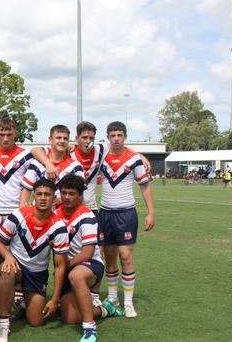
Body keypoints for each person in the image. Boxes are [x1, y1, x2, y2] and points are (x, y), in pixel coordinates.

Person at [0, 178, 69, 341]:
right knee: (7, 272)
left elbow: (60, 266)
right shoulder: (18, 215)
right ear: (33, 195)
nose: (42, 198)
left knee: (36, 321)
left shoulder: (59, 227)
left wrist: (55, 299)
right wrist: (8, 256)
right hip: (17, 267)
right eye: (39, 194)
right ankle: (3, 324)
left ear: (53, 198)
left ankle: (22, 304)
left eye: (47, 195)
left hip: (37, 274)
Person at [53, 174, 123, 342]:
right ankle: (105, 309)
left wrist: (63, 266)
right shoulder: (55, 212)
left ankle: (90, 329)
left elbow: (87, 253)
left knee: (75, 276)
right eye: (64, 193)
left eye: (71, 193)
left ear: (80, 196)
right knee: (69, 319)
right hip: (68, 268)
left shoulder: (87, 217)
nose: (67, 197)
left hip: (90, 265)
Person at [99, 121, 155, 318]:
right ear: (107, 137)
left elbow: (145, 186)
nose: (116, 138)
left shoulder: (134, 159)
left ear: (125, 136)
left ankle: (129, 302)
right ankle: (113, 297)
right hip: (105, 213)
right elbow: (82, 148)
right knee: (110, 257)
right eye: (112, 135)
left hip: (126, 213)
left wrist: (151, 212)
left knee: (126, 256)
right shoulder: (101, 156)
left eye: (119, 135)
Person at [0, 118, 36, 317]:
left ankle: (18, 298)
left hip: (17, 215)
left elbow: (43, 156)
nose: (5, 138)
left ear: (16, 134)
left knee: (19, 258)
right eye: (1, 134)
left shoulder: (25, 155)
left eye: (9, 134)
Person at [22, 124, 84, 206]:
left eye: (65, 138)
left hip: (65, 216)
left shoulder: (75, 166)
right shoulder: (36, 163)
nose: (62, 141)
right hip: (40, 216)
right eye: (58, 138)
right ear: (50, 140)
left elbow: (80, 197)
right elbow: (26, 191)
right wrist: (23, 214)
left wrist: (62, 200)